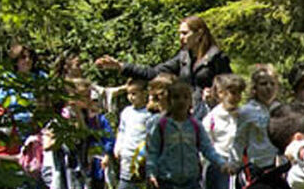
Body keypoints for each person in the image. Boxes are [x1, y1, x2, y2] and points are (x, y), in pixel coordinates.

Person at [95, 15, 231, 121]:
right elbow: (154, 73)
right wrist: (120, 66)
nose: (181, 38)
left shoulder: (217, 58)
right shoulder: (183, 57)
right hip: (187, 111)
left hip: (212, 113)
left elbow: (230, 86)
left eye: (185, 33)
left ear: (199, 34)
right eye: (180, 33)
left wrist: (214, 93)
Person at [200, 73, 246, 189]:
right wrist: (216, 161)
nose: (235, 97)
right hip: (218, 162)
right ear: (219, 93)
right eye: (231, 92)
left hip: (240, 161)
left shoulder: (243, 115)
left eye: (238, 93)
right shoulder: (211, 118)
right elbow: (206, 143)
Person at [114, 79, 152, 189]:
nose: (131, 97)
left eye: (134, 93)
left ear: (144, 94)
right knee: (126, 182)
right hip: (128, 152)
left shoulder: (149, 113)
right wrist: (118, 146)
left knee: (151, 180)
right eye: (129, 94)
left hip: (145, 153)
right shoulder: (126, 112)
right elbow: (121, 130)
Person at [235, 65, 282, 174]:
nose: (268, 87)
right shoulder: (247, 111)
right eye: (263, 84)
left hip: (280, 166)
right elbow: (240, 140)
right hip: (257, 166)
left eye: (272, 83)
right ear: (254, 88)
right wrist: (234, 163)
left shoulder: (281, 110)